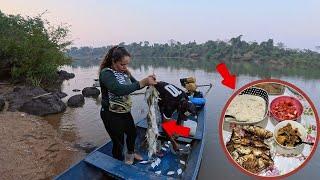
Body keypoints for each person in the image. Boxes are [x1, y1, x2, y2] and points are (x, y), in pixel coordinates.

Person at [99, 45, 157, 164]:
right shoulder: (106, 73)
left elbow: (135, 85)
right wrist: (142, 83)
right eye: (122, 64)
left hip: (124, 112)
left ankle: (131, 153)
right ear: (113, 61)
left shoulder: (125, 73)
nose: (125, 67)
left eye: (126, 64)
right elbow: (118, 89)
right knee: (118, 141)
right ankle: (118, 162)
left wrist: (149, 81)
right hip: (111, 114)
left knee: (132, 133)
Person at [154, 81, 197, 151]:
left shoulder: (185, 97)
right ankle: (155, 137)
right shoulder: (170, 106)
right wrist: (173, 142)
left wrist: (178, 131)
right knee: (160, 121)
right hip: (154, 92)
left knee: (175, 129)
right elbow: (165, 126)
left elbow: (181, 116)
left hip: (165, 93)